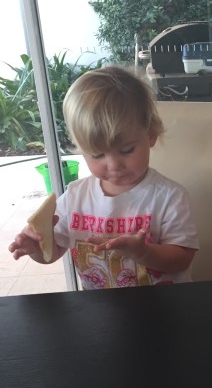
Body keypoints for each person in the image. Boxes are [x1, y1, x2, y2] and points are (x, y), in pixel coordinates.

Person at [9, 66, 199, 288]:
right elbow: (53, 252)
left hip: (161, 304)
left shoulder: (170, 197)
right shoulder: (74, 197)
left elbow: (182, 259)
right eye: (97, 155)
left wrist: (144, 252)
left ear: (150, 135)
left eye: (126, 150)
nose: (114, 165)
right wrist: (36, 249)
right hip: (98, 305)